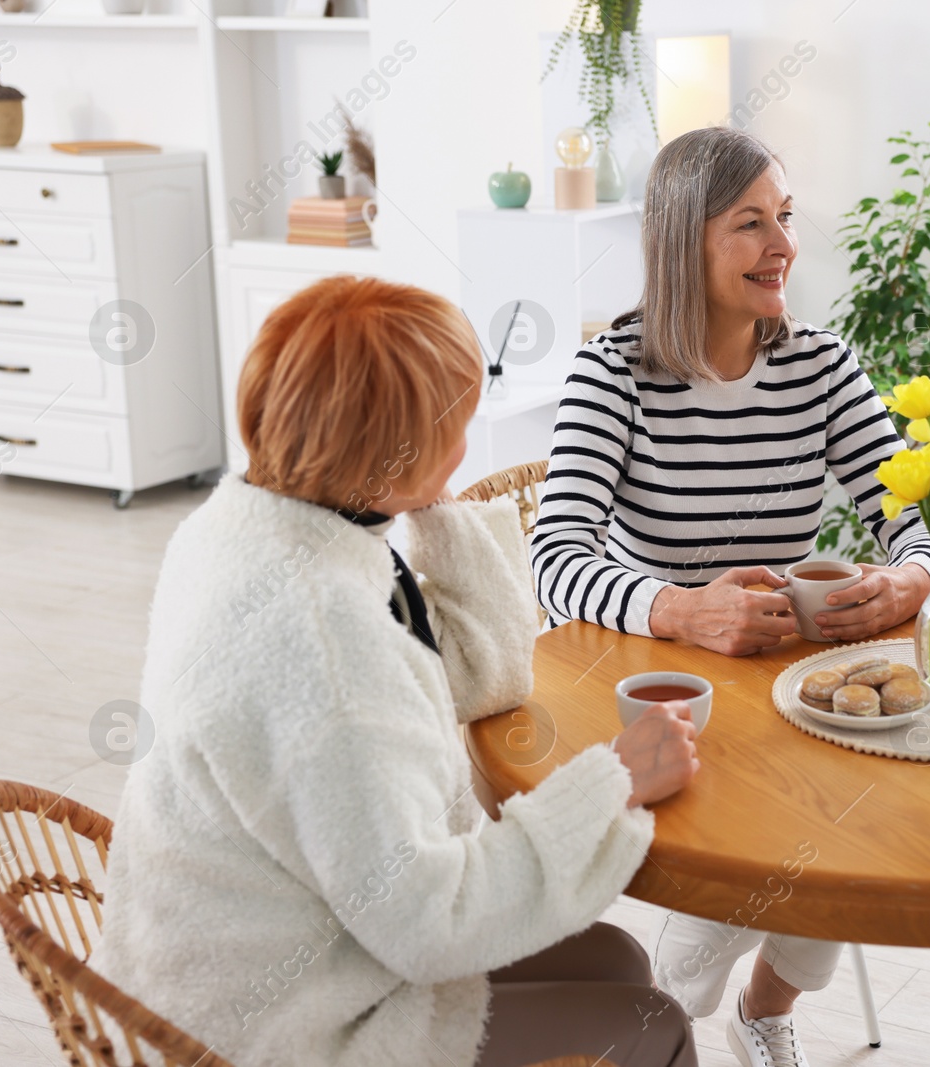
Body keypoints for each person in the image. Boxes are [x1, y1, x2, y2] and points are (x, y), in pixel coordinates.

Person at [92, 276, 702, 1067]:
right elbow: (426, 923)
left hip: (240, 955)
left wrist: (419, 495)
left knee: (617, 962)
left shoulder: (254, 525)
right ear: (389, 449)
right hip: (275, 1028)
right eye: (457, 421)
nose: (469, 436)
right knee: (651, 1021)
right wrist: (610, 782)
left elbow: (481, 675)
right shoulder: (325, 643)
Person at [529, 127, 930, 1066]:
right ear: (684, 239)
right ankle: (667, 1020)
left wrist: (905, 579)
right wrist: (680, 606)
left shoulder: (821, 366)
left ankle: (760, 1007)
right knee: (824, 828)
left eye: (784, 218)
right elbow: (554, 557)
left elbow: (916, 520)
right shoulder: (614, 372)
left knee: (866, 807)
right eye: (750, 223)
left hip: (787, 681)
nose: (783, 244)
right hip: (656, 683)